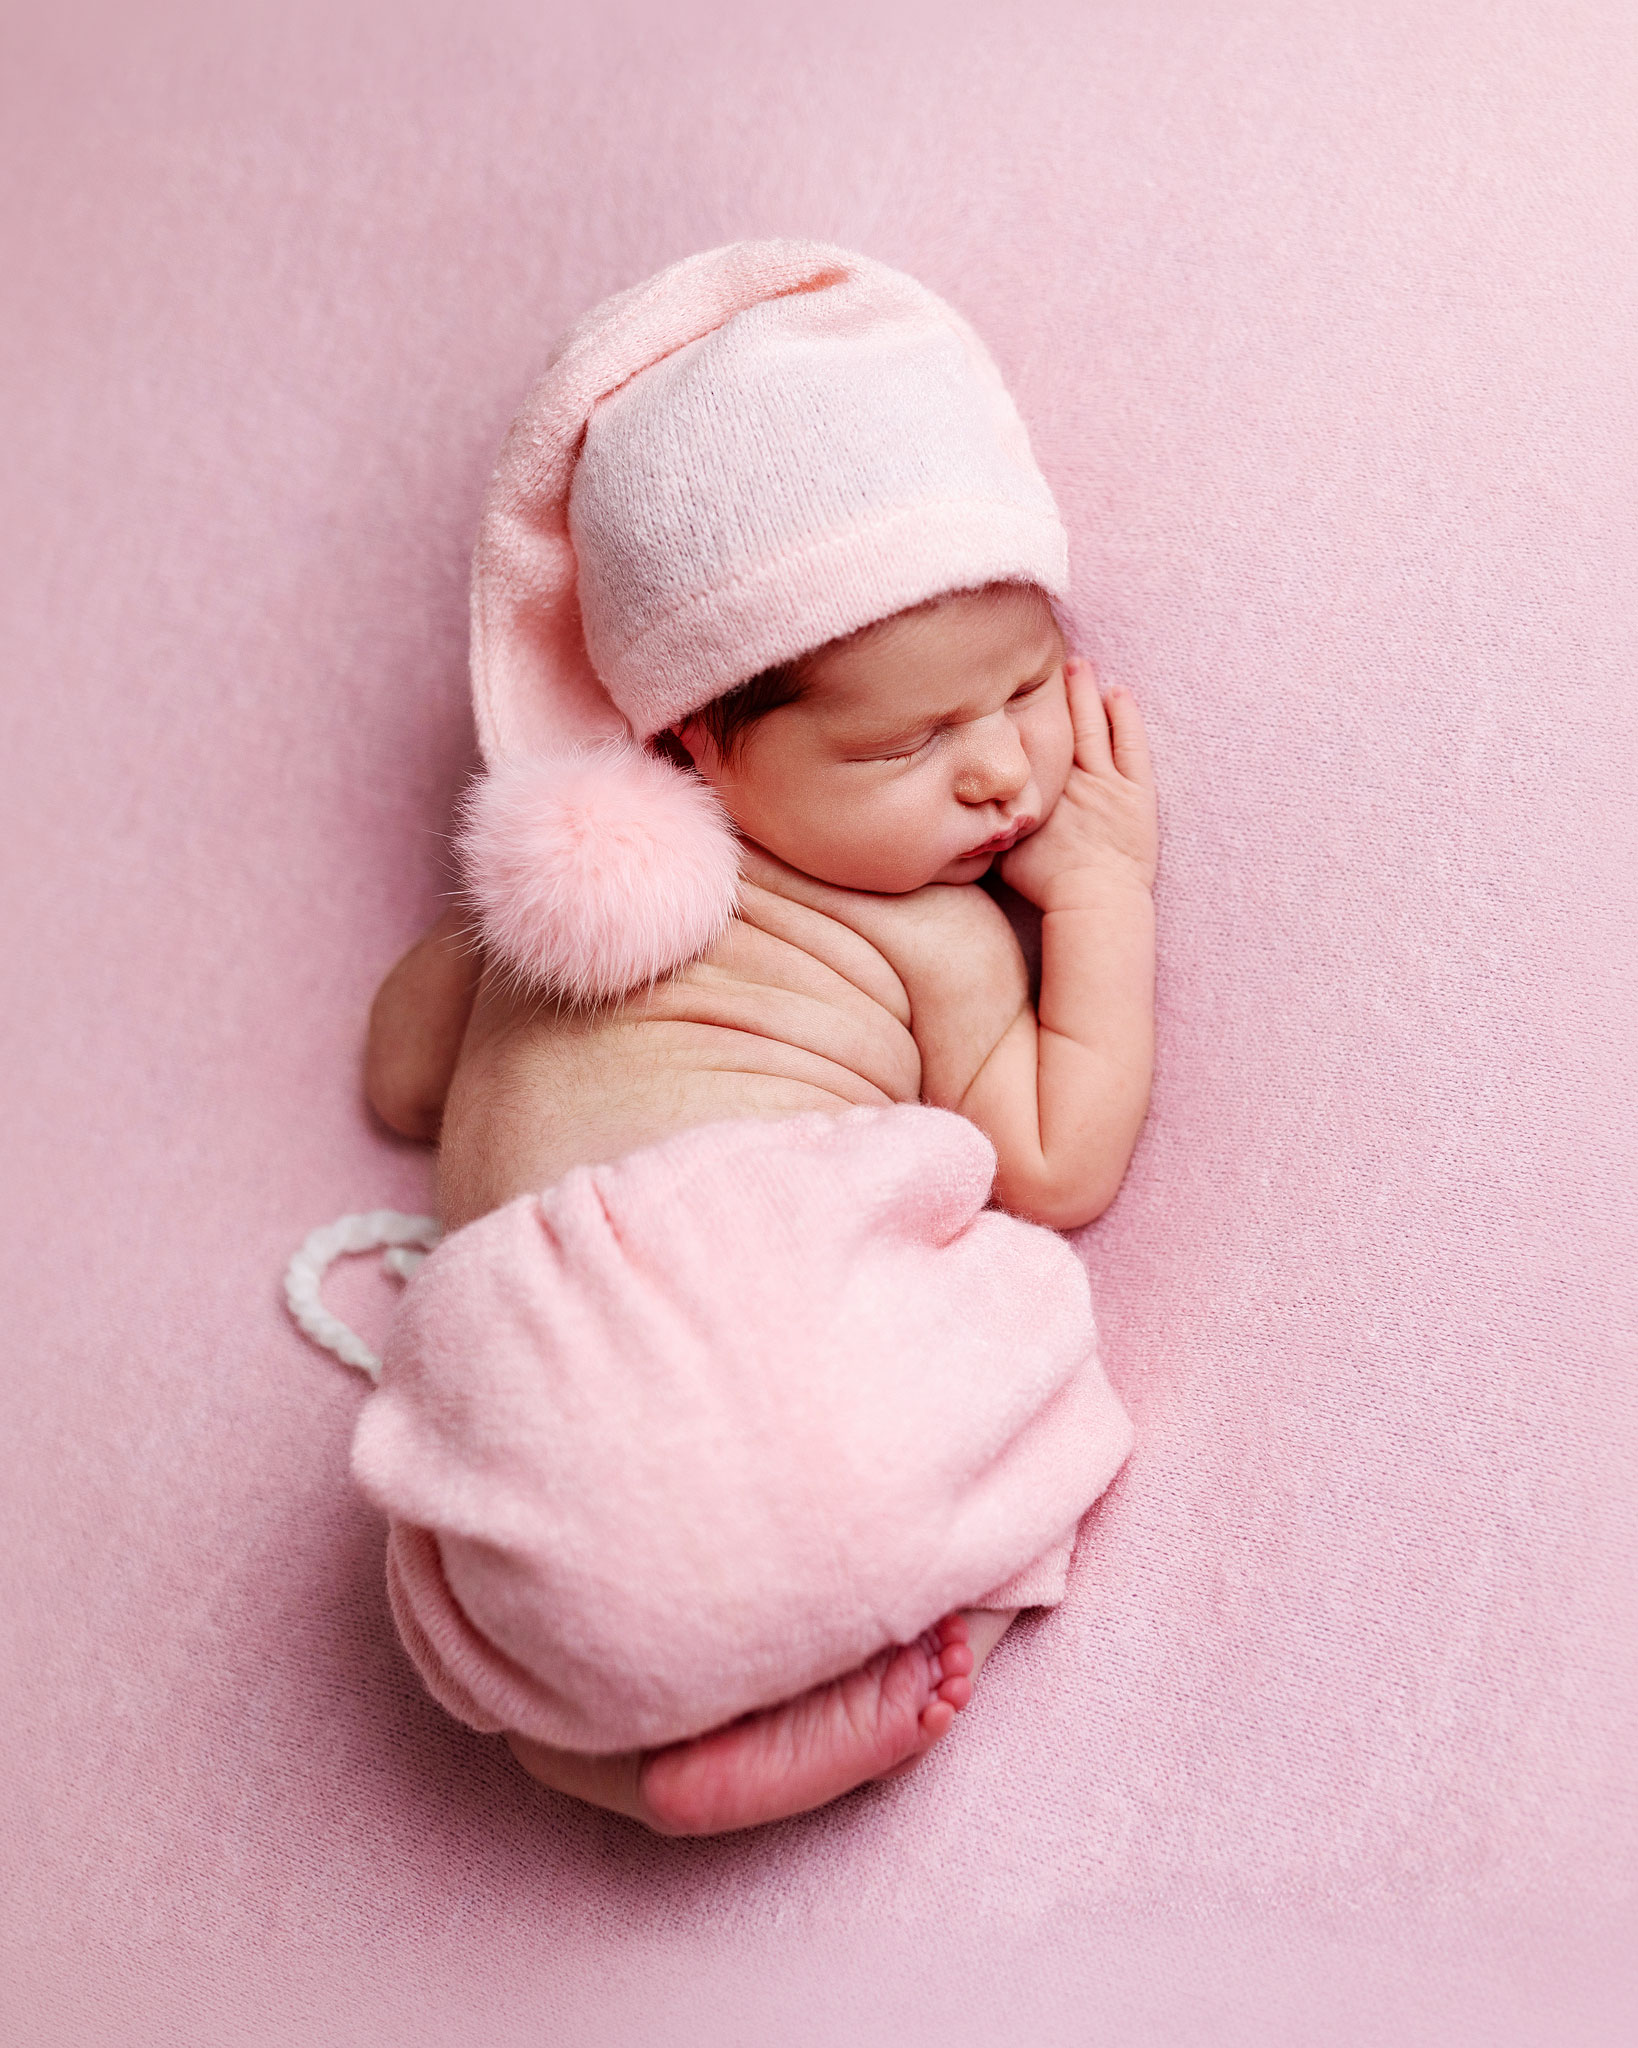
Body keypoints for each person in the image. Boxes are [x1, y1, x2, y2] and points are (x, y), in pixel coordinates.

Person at [352, 241, 1158, 1837]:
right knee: (1005, 1368)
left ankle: (608, 1765)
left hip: (525, 1369)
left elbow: (393, 1079)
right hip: (771, 1328)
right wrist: (1108, 892)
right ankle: (917, 1626)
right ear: (694, 741)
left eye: (1021, 688)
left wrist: (469, 935)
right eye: (908, 742)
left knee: (480, 1619)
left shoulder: (551, 897)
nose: (1000, 775)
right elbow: (1056, 1166)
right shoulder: (924, 934)